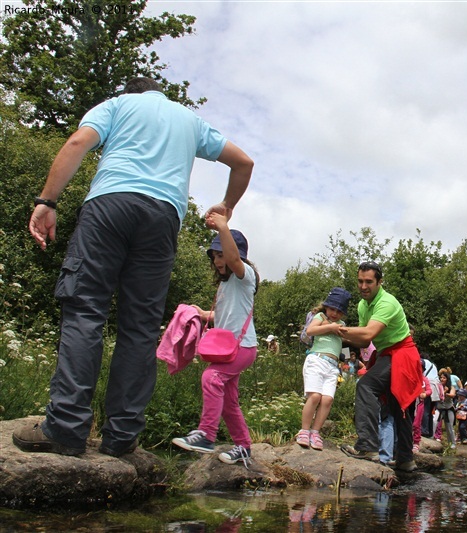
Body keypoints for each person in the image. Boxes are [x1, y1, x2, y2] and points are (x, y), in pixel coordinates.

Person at [12, 76, 253, 457]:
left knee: (85, 310)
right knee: (140, 326)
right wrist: (227, 207)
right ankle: (121, 438)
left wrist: (48, 201)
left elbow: (77, 143)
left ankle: (66, 429)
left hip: (109, 205)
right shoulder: (188, 120)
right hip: (162, 218)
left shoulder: (118, 105)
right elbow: (243, 162)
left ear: (133, 91)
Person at [171, 222, 259, 465]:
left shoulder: (245, 276)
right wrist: (202, 313)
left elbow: (233, 259)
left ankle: (206, 435)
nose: (218, 261)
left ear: (236, 255)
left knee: (211, 378)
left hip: (242, 347)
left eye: (222, 255)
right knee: (229, 400)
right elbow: (224, 316)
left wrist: (222, 227)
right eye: (215, 256)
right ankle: (243, 447)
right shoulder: (224, 285)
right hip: (228, 349)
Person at [338, 261, 423, 473]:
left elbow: (367, 335)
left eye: (369, 282)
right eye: (360, 281)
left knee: (366, 386)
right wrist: (338, 342)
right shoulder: (362, 305)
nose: (363, 286)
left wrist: (335, 330)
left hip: (402, 354)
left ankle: (368, 447)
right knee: (398, 406)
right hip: (388, 353)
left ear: (379, 282)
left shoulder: (387, 302)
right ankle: (405, 460)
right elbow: (364, 343)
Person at [294, 287, 351, 451]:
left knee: (327, 399)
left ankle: (316, 432)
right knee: (315, 396)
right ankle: (304, 430)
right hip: (317, 359)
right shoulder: (320, 317)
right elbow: (311, 331)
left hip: (333, 365)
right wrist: (330, 327)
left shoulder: (341, 325)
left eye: (339, 311)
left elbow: (344, 341)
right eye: (332, 309)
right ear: (326, 307)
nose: (335, 313)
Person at [412, 360, 432, 453]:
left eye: (420, 368)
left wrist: (425, 394)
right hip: (410, 403)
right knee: (409, 423)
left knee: (417, 424)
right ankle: (407, 440)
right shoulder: (411, 377)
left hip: (419, 403)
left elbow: (429, 390)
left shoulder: (424, 379)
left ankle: (416, 442)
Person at [420, 352, 440, 437]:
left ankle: (424, 430)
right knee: (430, 411)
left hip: (428, 385)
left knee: (425, 409)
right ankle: (430, 431)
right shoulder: (433, 365)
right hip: (436, 388)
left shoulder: (423, 362)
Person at [437, 371, 458, 449]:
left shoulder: (451, 387)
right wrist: (444, 391)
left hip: (449, 408)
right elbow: (437, 396)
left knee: (449, 427)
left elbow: (452, 395)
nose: (442, 379)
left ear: (447, 379)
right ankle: (431, 438)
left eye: (444, 378)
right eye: (441, 377)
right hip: (439, 408)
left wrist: (446, 392)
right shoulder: (438, 386)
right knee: (434, 422)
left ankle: (452, 443)